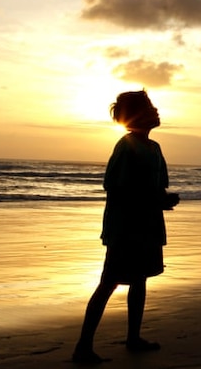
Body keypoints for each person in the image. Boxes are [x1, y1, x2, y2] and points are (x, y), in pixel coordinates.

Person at [72, 91, 179, 364]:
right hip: (126, 227)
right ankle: (83, 346)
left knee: (140, 280)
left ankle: (133, 337)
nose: (156, 111)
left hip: (148, 224)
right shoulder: (126, 146)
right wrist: (153, 200)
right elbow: (115, 187)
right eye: (149, 107)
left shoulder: (154, 148)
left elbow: (156, 187)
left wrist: (163, 199)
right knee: (109, 282)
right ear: (135, 116)